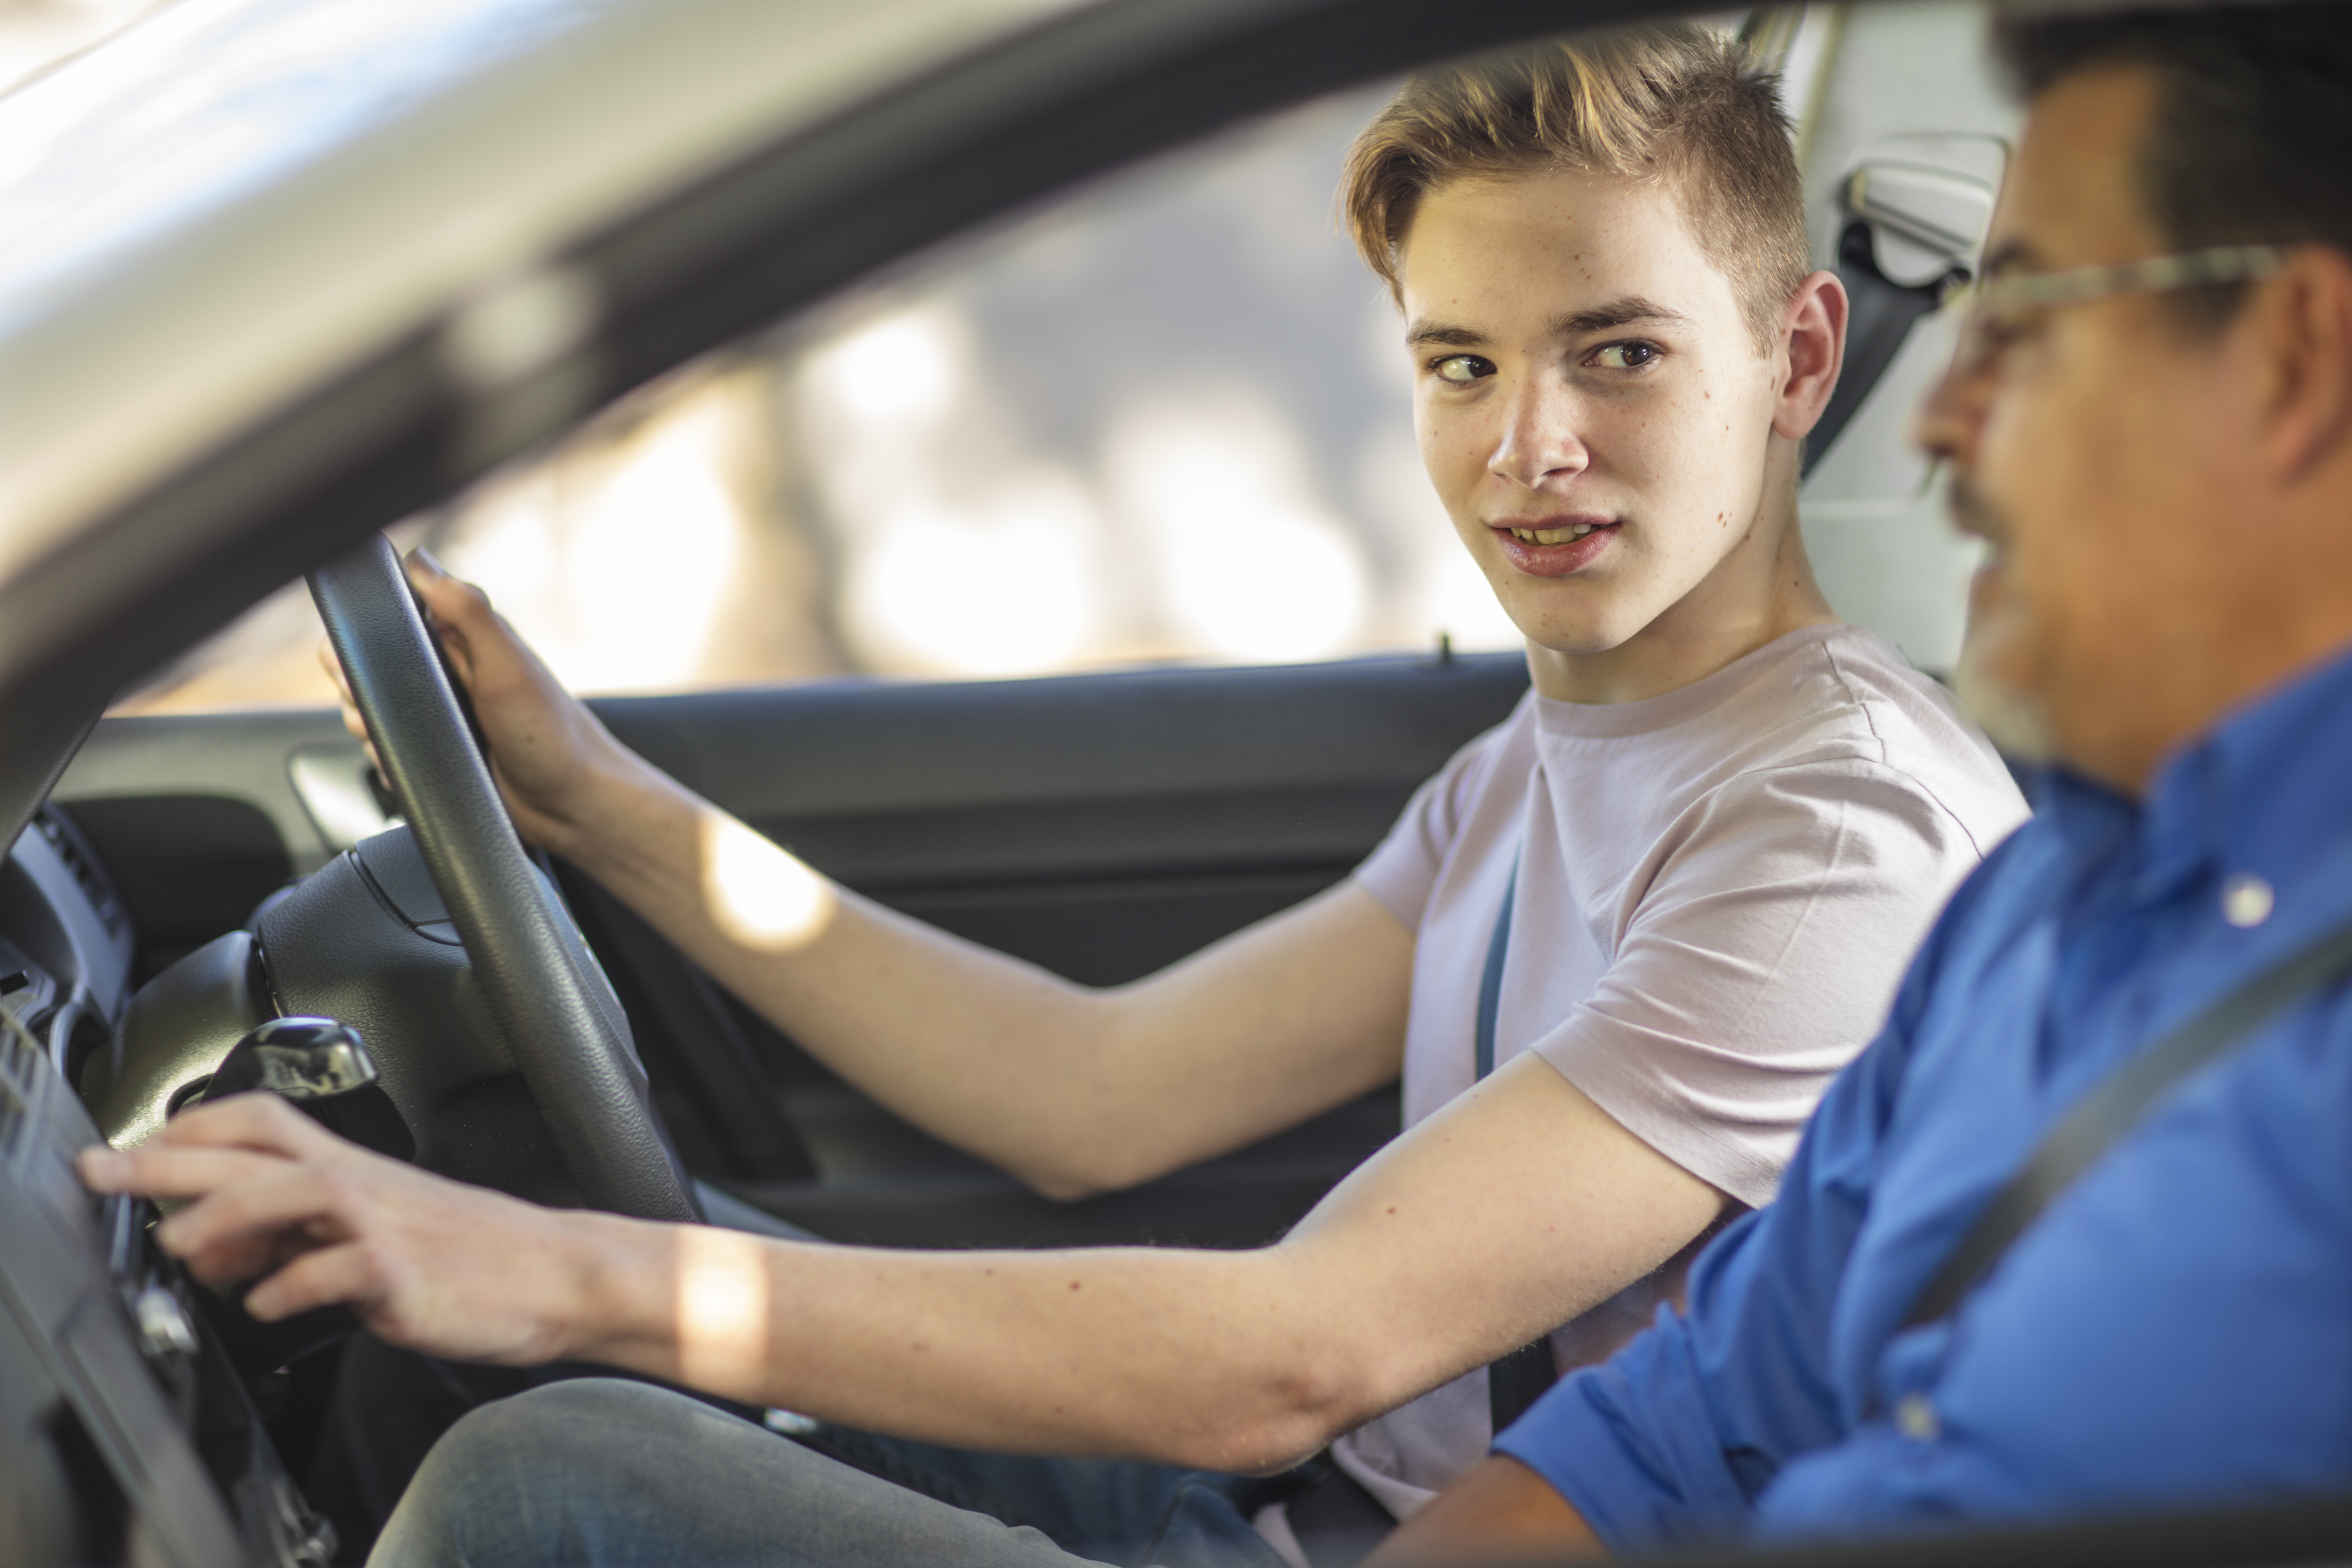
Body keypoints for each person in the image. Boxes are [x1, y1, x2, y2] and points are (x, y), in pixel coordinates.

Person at [79, 25, 2029, 1568]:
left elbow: (1295, 1357)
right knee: (521, 1261)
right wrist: (595, 802)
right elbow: (1094, 1099)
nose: (1529, 449)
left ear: (1792, 355)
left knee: (546, 1469)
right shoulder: (1543, 762)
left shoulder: (1825, 843)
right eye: (1460, 364)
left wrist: (567, 1284)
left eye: (1615, 353)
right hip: (1301, 1515)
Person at [1357, 4, 2352, 1560]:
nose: (1948, 419)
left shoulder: (1894, 841)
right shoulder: (2043, 898)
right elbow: (1672, 1425)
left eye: (2025, 327)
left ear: (2293, 362)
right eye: (1460, 364)